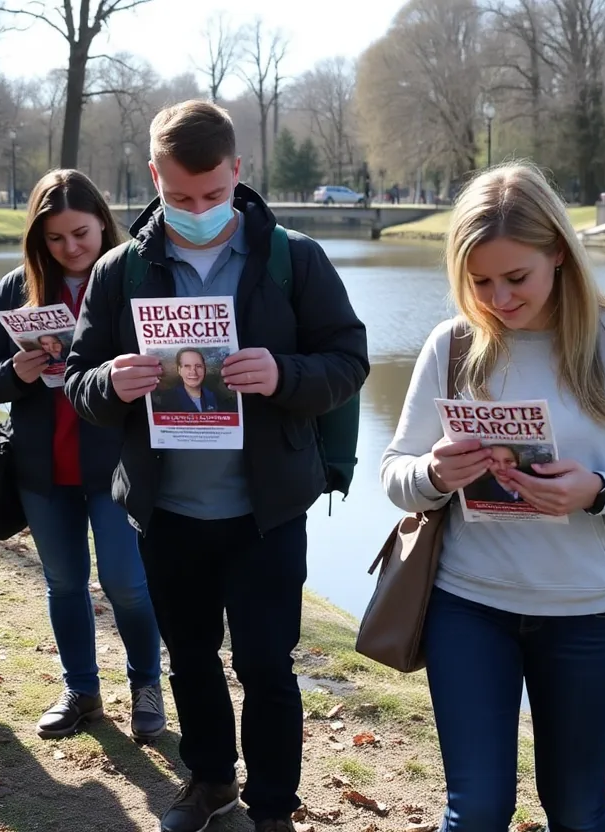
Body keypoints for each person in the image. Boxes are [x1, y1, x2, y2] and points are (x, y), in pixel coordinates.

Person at [64, 101, 369, 832]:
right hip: (167, 511)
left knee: (267, 665)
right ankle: (209, 781)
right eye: (178, 198)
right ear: (153, 178)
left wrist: (283, 374)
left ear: (238, 171)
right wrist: (114, 382)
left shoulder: (295, 258)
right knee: (190, 657)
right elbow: (78, 383)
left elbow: (349, 360)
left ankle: (271, 807)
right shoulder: (120, 269)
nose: (197, 211)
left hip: (265, 511)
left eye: (212, 194)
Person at [380, 163, 605, 832]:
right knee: (476, 811)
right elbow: (395, 472)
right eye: (480, 282)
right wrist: (436, 474)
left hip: (590, 620)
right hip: (469, 609)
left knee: (578, 808)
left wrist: (600, 491)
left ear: (558, 250)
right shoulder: (453, 345)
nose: (497, 297)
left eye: (515, 277)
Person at [0, 169, 166, 742]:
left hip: (116, 465)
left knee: (128, 583)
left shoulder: (135, 279)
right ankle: (81, 690)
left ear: (103, 224)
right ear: (38, 241)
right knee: (64, 582)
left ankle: (145, 686)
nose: (71, 248)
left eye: (81, 233)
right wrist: (15, 371)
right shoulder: (17, 288)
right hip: (42, 466)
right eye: (55, 239)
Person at [156, 348, 229, 413]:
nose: (193, 372)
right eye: (187, 366)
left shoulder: (219, 398)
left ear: (204, 369)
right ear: (179, 370)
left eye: (198, 366)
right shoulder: (166, 400)